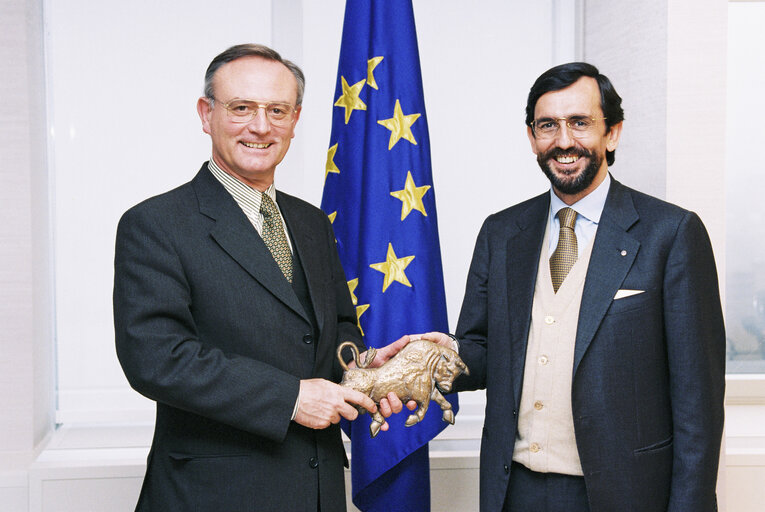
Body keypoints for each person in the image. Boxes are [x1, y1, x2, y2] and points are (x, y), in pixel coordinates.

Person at [419, 62, 726, 511]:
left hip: (623, 495)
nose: (564, 141)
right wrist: (432, 357)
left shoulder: (671, 234)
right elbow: (482, 351)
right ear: (532, 138)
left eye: (580, 123)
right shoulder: (501, 233)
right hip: (513, 491)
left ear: (613, 133)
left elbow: (697, 405)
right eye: (548, 126)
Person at [113, 43, 407, 512]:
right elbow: (156, 357)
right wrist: (291, 398)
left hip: (317, 490)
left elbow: (334, 329)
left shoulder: (312, 223)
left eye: (277, 110)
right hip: (212, 496)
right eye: (242, 108)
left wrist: (363, 372)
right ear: (206, 114)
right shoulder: (155, 224)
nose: (261, 126)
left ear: (295, 120)